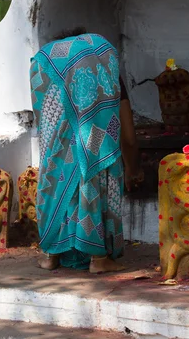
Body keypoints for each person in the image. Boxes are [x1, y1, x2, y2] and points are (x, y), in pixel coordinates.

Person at [30, 28, 143, 273]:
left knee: (61, 184)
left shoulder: (50, 72)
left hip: (57, 156)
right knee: (90, 172)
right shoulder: (103, 72)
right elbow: (129, 136)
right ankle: (98, 259)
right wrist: (133, 168)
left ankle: (51, 255)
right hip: (93, 147)